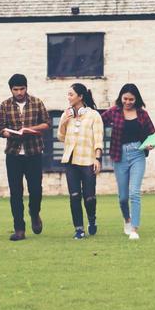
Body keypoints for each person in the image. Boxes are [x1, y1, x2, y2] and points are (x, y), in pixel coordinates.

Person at [0, 73, 50, 241]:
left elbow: (47, 123)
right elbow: (0, 128)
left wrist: (30, 129)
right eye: (15, 89)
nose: (19, 92)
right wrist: (7, 133)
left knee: (35, 190)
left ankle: (34, 213)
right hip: (13, 154)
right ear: (11, 89)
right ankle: (19, 228)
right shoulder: (5, 105)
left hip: (33, 153)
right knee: (15, 192)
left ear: (26, 87)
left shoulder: (37, 102)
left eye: (22, 89)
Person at [103, 83, 155, 240]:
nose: (127, 102)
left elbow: (152, 133)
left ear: (136, 99)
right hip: (119, 155)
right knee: (123, 197)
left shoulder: (142, 114)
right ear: (120, 98)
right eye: (125, 98)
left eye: (131, 99)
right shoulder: (114, 112)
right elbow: (97, 121)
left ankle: (134, 228)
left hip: (137, 153)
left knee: (134, 192)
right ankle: (127, 219)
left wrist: (151, 143)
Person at [57, 83, 103, 239]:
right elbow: (61, 137)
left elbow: (98, 139)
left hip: (88, 160)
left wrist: (97, 158)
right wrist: (64, 122)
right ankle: (79, 229)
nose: (68, 97)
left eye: (71, 94)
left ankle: (92, 219)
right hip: (71, 160)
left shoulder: (94, 115)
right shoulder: (66, 114)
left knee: (89, 197)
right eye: (68, 94)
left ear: (80, 96)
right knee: (74, 195)